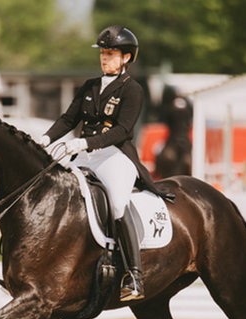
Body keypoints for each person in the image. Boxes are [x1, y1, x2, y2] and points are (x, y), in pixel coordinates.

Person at [38, 25, 170, 301]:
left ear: (126, 58)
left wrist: (84, 143)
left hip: (115, 156)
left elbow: (123, 130)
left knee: (119, 204)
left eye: (111, 54)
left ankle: (134, 274)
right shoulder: (90, 86)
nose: (104, 58)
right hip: (84, 154)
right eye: (103, 53)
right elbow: (68, 119)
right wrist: (45, 139)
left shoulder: (133, 90)